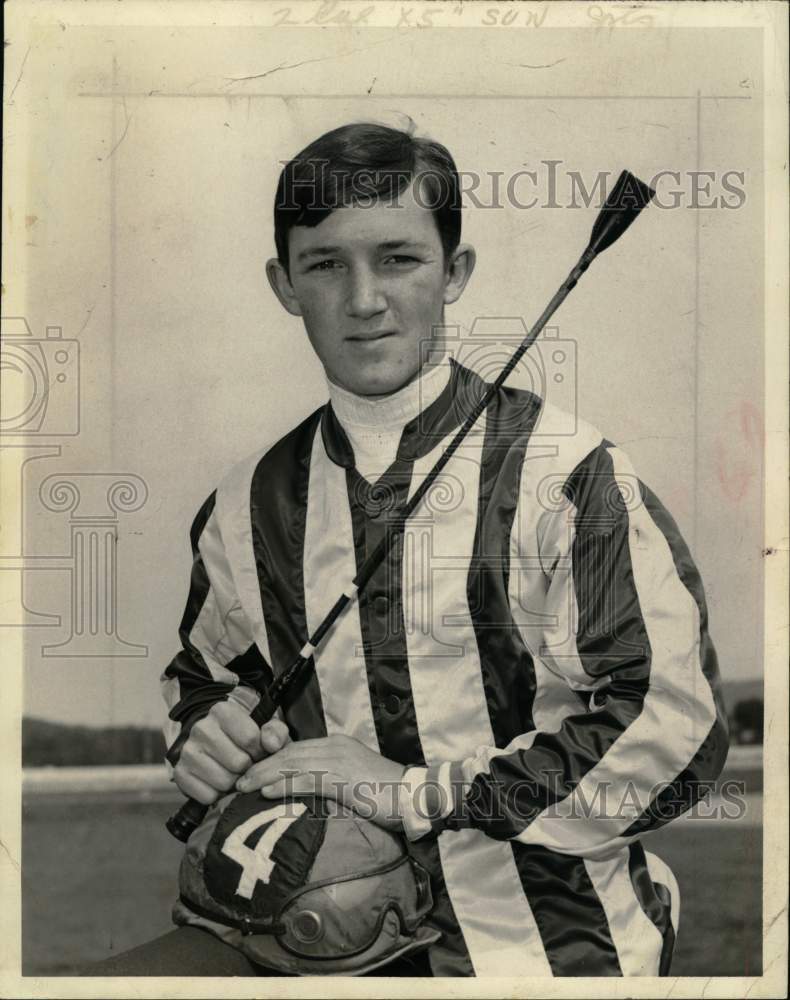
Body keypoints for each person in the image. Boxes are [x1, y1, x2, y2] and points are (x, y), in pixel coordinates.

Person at [93, 122, 729, 977]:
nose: (364, 300)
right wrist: (205, 731)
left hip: (554, 959)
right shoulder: (246, 502)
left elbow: (675, 734)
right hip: (311, 954)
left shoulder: (568, 472)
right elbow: (208, 675)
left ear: (454, 272)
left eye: (398, 259)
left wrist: (413, 793)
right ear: (284, 285)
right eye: (326, 265)